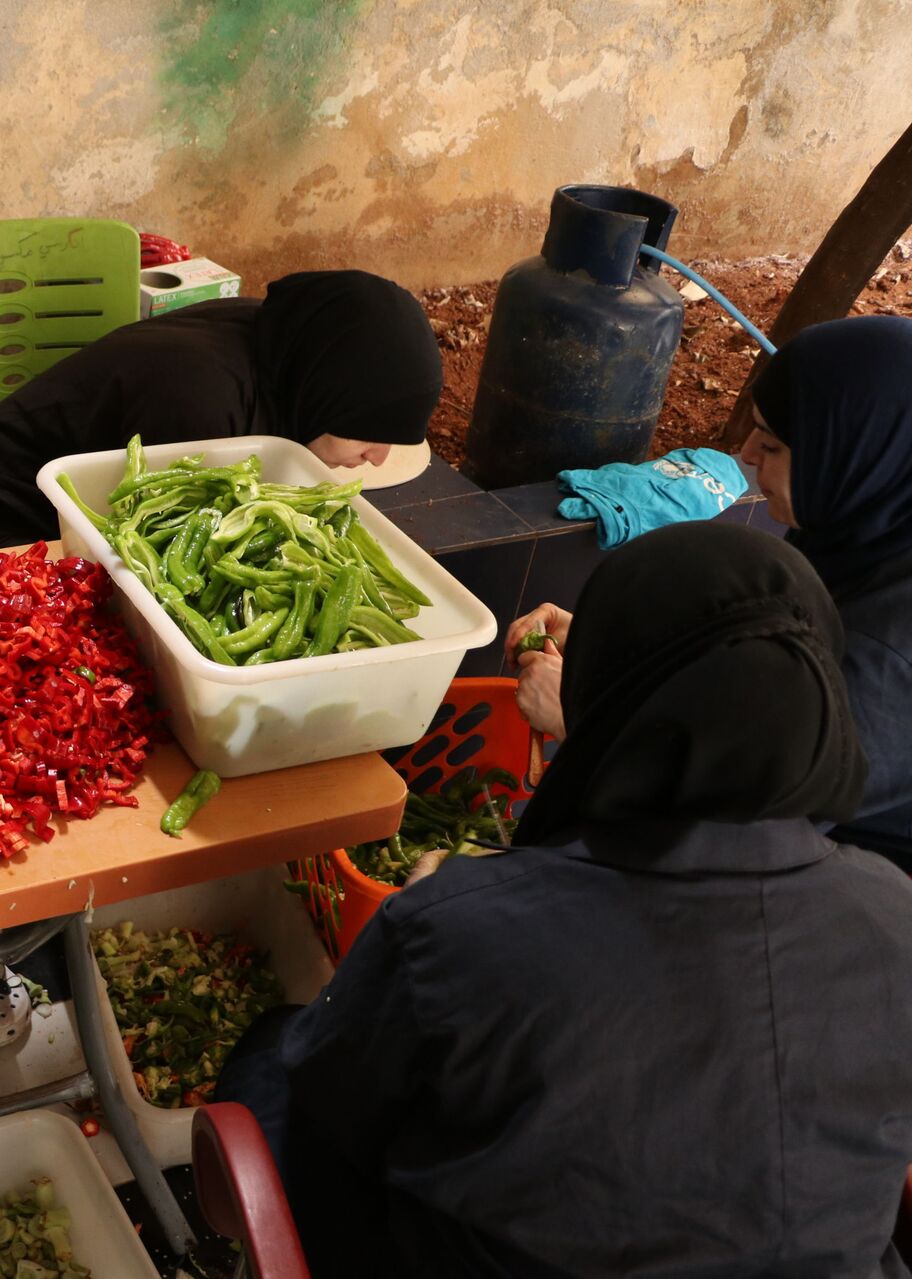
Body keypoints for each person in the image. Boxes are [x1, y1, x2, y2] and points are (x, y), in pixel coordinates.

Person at [215, 521, 912, 1277]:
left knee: (274, 1054)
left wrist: (422, 917)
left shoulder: (460, 930)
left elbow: (339, 1106)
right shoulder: (894, 910)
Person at [513, 316, 912, 870]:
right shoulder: (860, 522)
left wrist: (586, 722)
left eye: (771, 443)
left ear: (857, 456)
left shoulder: (888, 661)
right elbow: (762, 678)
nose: (746, 454)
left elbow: (747, 819)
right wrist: (608, 649)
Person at [0, 269, 444, 550]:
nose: (377, 459)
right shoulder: (203, 411)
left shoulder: (283, 346)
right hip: (5, 523)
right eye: (368, 436)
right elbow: (158, 555)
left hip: (80, 504)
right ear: (327, 393)